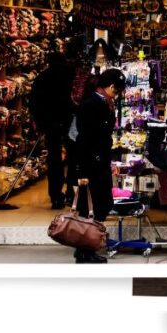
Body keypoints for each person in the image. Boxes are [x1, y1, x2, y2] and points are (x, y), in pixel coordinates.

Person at [72, 67, 125, 264]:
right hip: (91, 163)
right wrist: (83, 171)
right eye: (117, 90)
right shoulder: (92, 104)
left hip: (100, 161)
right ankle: (85, 250)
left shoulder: (103, 102)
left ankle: (85, 248)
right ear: (111, 86)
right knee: (91, 208)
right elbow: (84, 138)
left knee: (100, 205)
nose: (117, 94)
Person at [28, 52, 75, 209]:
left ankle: (56, 195)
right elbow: (73, 99)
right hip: (68, 121)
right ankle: (71, 191)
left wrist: (41, 123)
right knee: (73, 157)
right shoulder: (69, 75)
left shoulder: (42, 78)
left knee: (54, 159)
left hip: (51, 123)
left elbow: (33, 103)